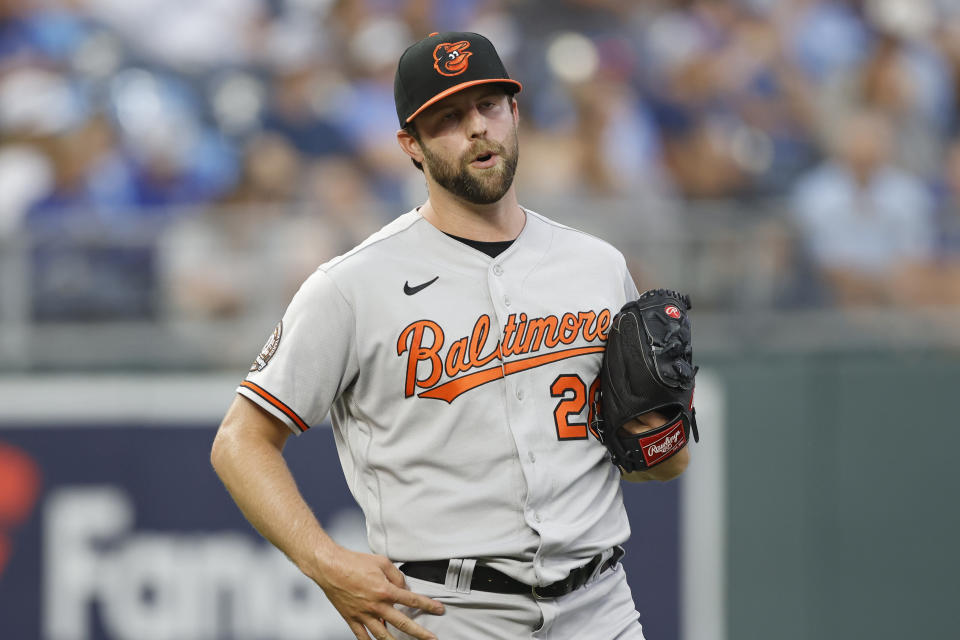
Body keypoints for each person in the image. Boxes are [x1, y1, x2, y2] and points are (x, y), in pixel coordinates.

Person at [211, 31, 689, 640]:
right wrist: (324, 562)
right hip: (449, 616)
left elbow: (660, 465)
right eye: (448, 118)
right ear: (411, 146)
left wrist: (662, 446)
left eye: (489, 106)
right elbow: (239, 442)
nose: (477, 128)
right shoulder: (353, 285)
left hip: (601, 607)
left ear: (515, 112)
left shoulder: (597, 266)